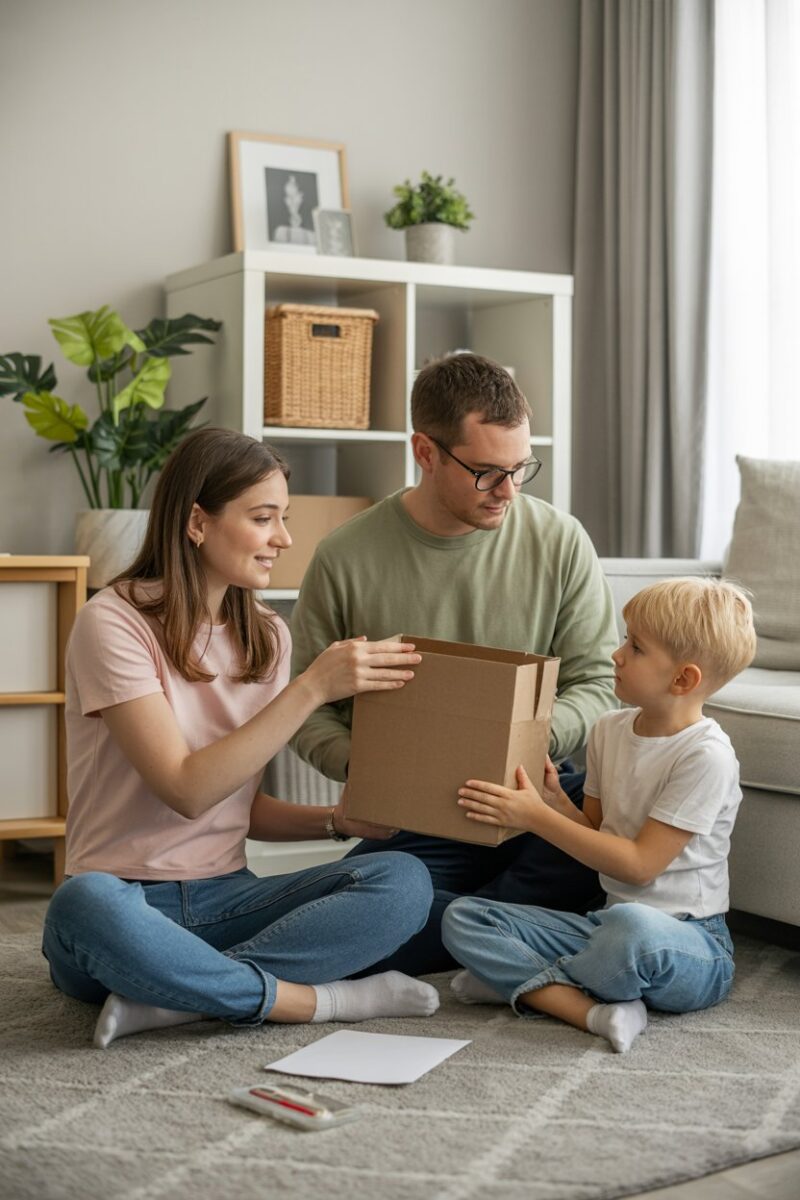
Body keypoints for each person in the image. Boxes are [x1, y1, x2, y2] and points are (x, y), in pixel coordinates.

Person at [42, 428, 439, 1050]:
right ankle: (308, 1000)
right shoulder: (112, 622)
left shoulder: (267, 636)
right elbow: (187, 790)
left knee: (403, 879)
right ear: (197, 522)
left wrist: (337, 821)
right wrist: (310, 689)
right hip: (126, 902)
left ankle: (178, 997)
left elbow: (237, 807)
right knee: (80, 904)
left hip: (228, 899)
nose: (283, 538)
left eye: (284, 518)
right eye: (263, 518)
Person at [289, 353, 619, 975]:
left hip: (542, 803)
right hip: (418, 817)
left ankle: (460, 929)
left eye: (521, 468)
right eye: (488, 472)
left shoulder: (560, 539)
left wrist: (524, 744)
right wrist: (372, 767)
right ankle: (497, 932)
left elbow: (598, 683)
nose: (509, 492)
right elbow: (307, 709)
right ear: (425, 451)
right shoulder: (345, 556)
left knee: (606, 840)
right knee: (354, 901)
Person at [441, 577, 757, 1054]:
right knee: (463, 917)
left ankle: (532, 984)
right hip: (603, 930)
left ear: (683, 679)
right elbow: (596, 838)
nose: (617, 654)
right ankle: (589, 1007)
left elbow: (637, 865)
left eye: (636, 646)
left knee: (635, 928)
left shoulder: (705, 756)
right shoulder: (608, 730)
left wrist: (536, 819)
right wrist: (554, 804)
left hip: (687, 943)